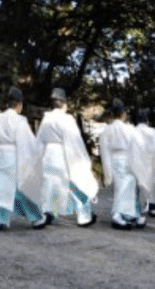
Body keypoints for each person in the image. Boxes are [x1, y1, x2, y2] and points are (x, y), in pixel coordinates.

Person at [0, 87, 45, 231]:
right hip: (13, 157)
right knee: (22, 189)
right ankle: (36, 218)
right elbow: (28, 143)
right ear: (19, 105)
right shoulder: (20, 121)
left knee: (0, 189)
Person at [36, 88, 98, 227]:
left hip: (48, 156)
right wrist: (82, 161)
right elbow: (74, 142)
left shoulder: (46, 118)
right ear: (64, 103)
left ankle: (47, 213)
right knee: (73, 186)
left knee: (50, 186)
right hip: (62, 155)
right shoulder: (67, 119)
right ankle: (84, 216)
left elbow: (39, 140)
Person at [98, 99, 150, 230]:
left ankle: (126, 214)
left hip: (114, 160)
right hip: (128, 160)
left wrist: (107, 171)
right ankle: (117, 215)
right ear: (123, 114)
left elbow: (104, 151)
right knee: (128, 188)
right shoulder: (130, 129)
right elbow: (138, 147)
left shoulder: (106, 130)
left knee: (121, 189)